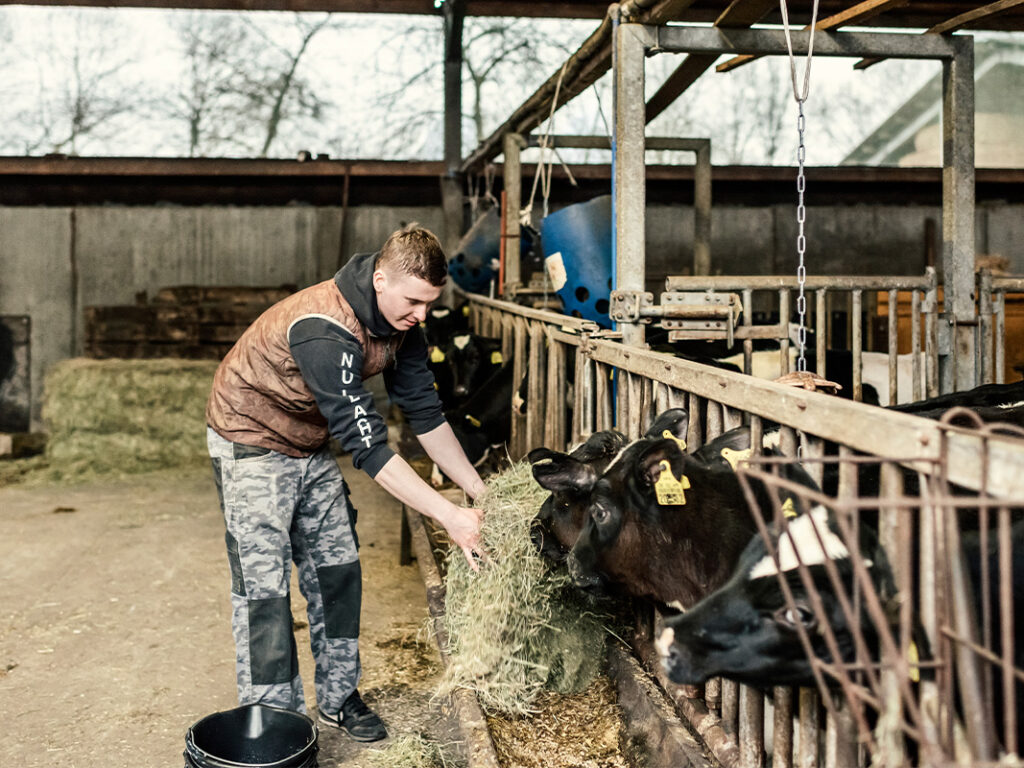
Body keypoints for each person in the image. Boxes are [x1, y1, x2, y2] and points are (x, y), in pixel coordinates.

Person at [205, 224, 487, 742]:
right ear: (381, 279)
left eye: (429, 304)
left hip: (308, 442)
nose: (422, 315)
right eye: (414, 302)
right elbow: (369, 447)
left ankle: (337, 697)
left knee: (338, 568)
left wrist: (479, 495)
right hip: (251, 441)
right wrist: (448, 515)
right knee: (264, 589)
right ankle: (276, 721)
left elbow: (425, 413)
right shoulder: (322, 326)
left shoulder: (404, 322)